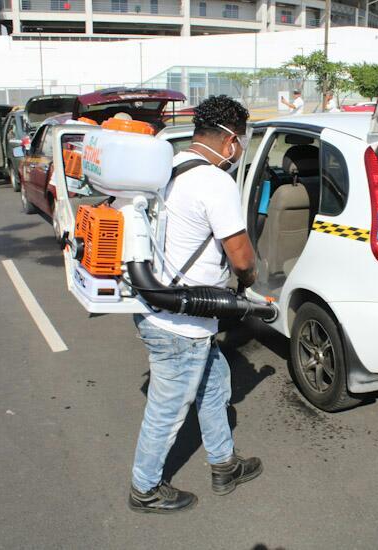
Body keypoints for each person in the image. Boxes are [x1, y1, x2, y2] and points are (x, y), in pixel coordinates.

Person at [128, 95, 262, 514]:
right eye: (240, 141)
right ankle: (144, 489)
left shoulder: (170, 167)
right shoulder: (215, 182)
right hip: (180, 325)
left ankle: (224, 464)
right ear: (230, 139)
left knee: (215, 383)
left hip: (165, 309)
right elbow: (241, 258)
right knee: (167, 412)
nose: (239, 149)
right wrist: (249, 283)